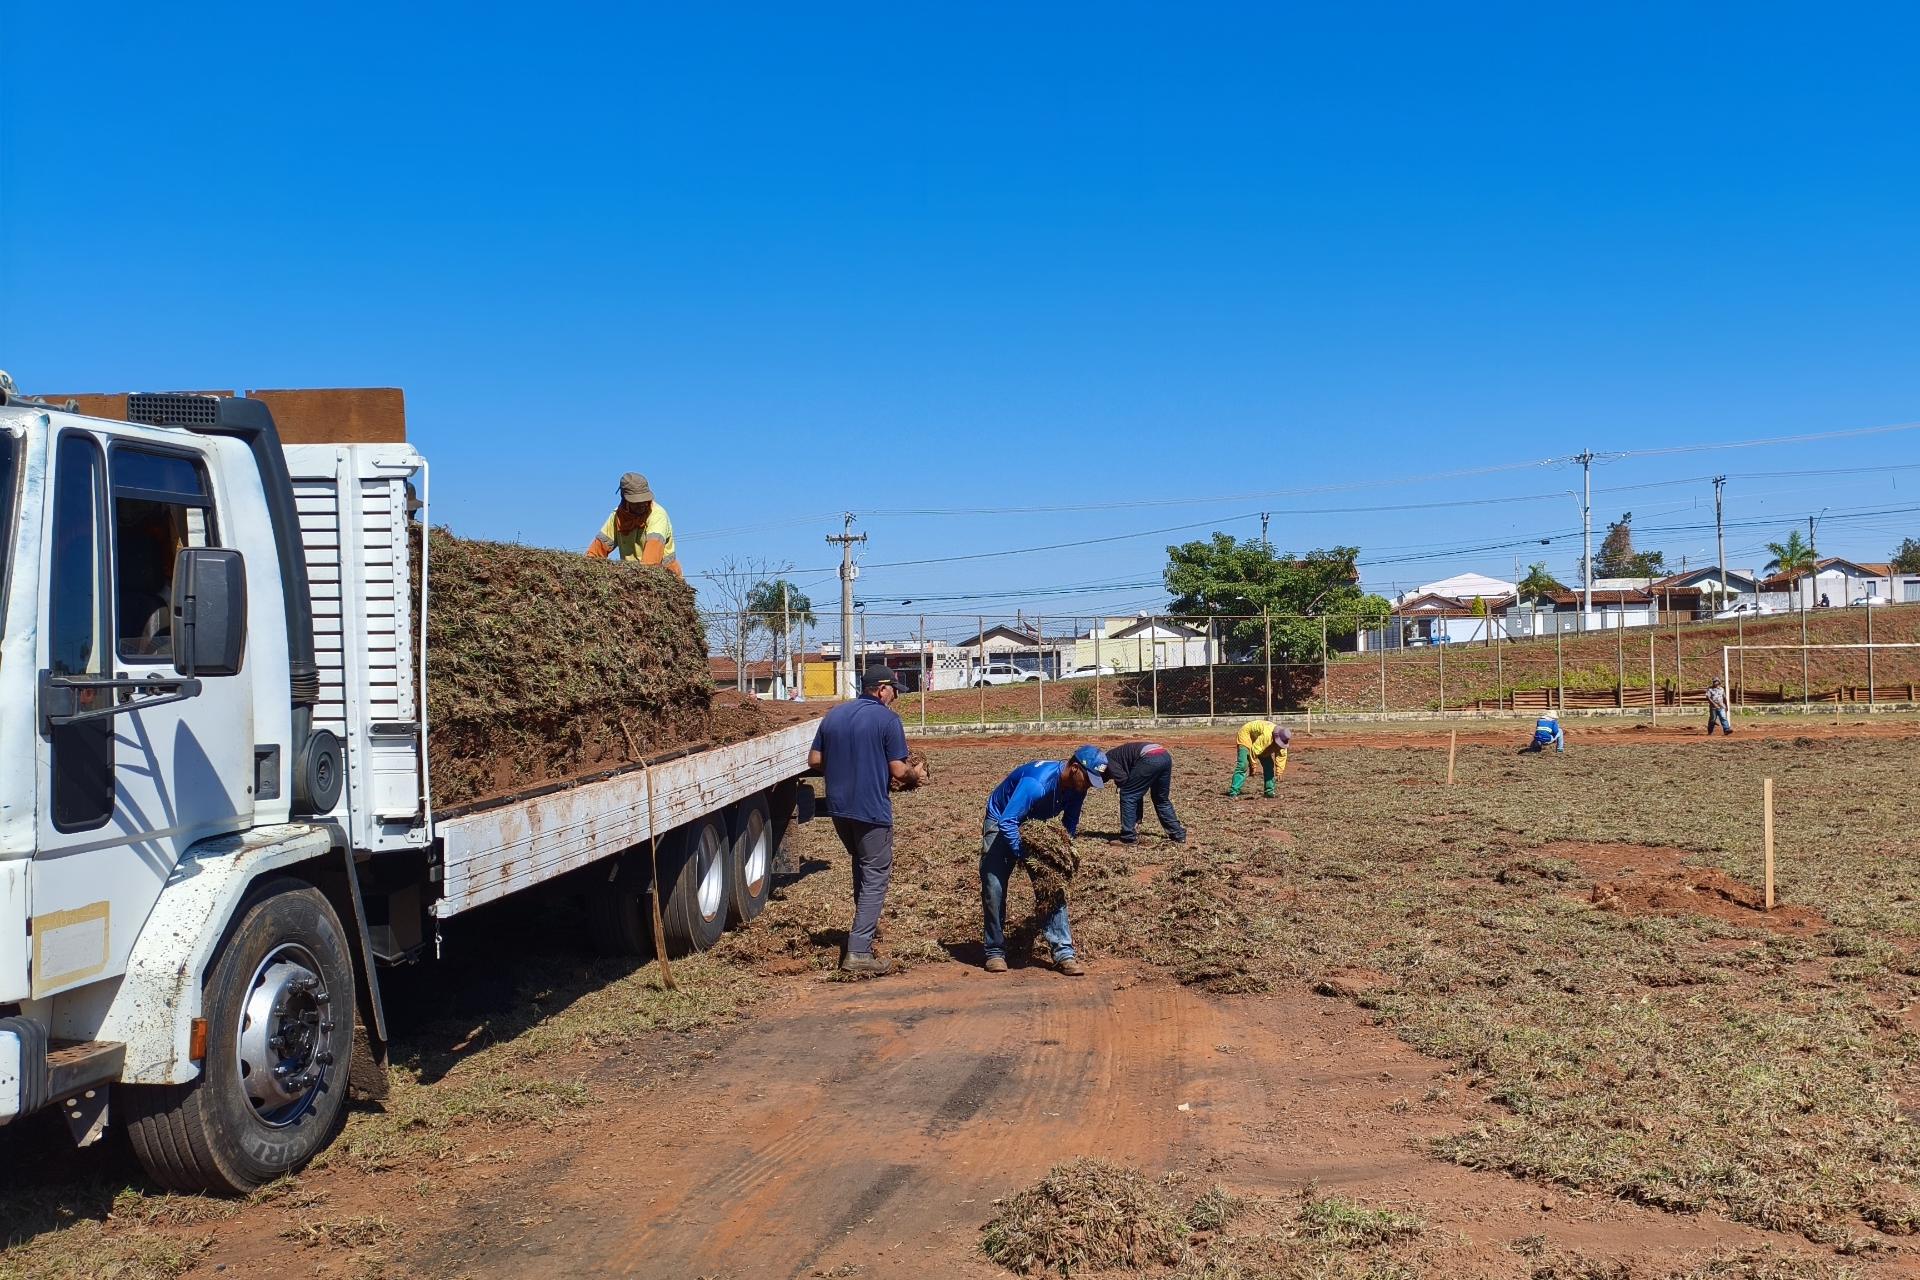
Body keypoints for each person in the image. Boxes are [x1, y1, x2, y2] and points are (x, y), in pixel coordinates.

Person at [807, 665, 926, 975]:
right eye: (895, 690)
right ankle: (859, 951)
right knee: (875, 875)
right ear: (881, 689)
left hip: (839, 809)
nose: (896, 697)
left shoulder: (834, 715)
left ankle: (864, 933)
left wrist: (844, 771)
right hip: (871, 809)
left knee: (862, 865)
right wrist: (917, 775)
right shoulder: (887, 720)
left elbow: (815, 761)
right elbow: (899, 770)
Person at [980, 745, 1107, 976]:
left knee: (1052, 884)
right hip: (1002, 820)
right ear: (1075, 768)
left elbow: (1069, 824)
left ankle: (1063, 953)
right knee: (994, 885)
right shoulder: (1036, 784)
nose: (1089, 785)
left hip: (1035, 825)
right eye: (1088, 779)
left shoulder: (1078, 788)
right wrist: (1024, 853)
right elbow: (1008, 821)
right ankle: (995, 951)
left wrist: (1062, 854)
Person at [585, 472, 681, 577]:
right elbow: (596, 552)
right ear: (624, 499)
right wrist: (587, 569)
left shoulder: (657, 515)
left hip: (665, 577)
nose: (642, 505)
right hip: (632, 578)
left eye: (645, 500)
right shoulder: (618, 517)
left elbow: (650, 563)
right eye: (637, 502)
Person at [1102, 742, 1187, 845]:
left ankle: (1128, 837)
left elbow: (1128, 789)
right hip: (1164, 756)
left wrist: (1136, 818)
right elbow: (1136, 791)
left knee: (1127, 794)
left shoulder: (1108, 760)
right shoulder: (1118, 758)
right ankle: (1178, 834)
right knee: (1161, 799)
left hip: (1149, 758)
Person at [1228, 720, 1290, 798]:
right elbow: (1254, 750)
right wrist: (1253, 765)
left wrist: (1279, 772)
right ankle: (1234, 792)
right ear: (1275, 737)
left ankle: (1269, 792)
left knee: (1269, 765)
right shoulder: (1267, 736)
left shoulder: (1283, 741)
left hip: (1259, 741)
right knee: (1243, 765)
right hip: (1247, 735)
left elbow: (1282, 756)